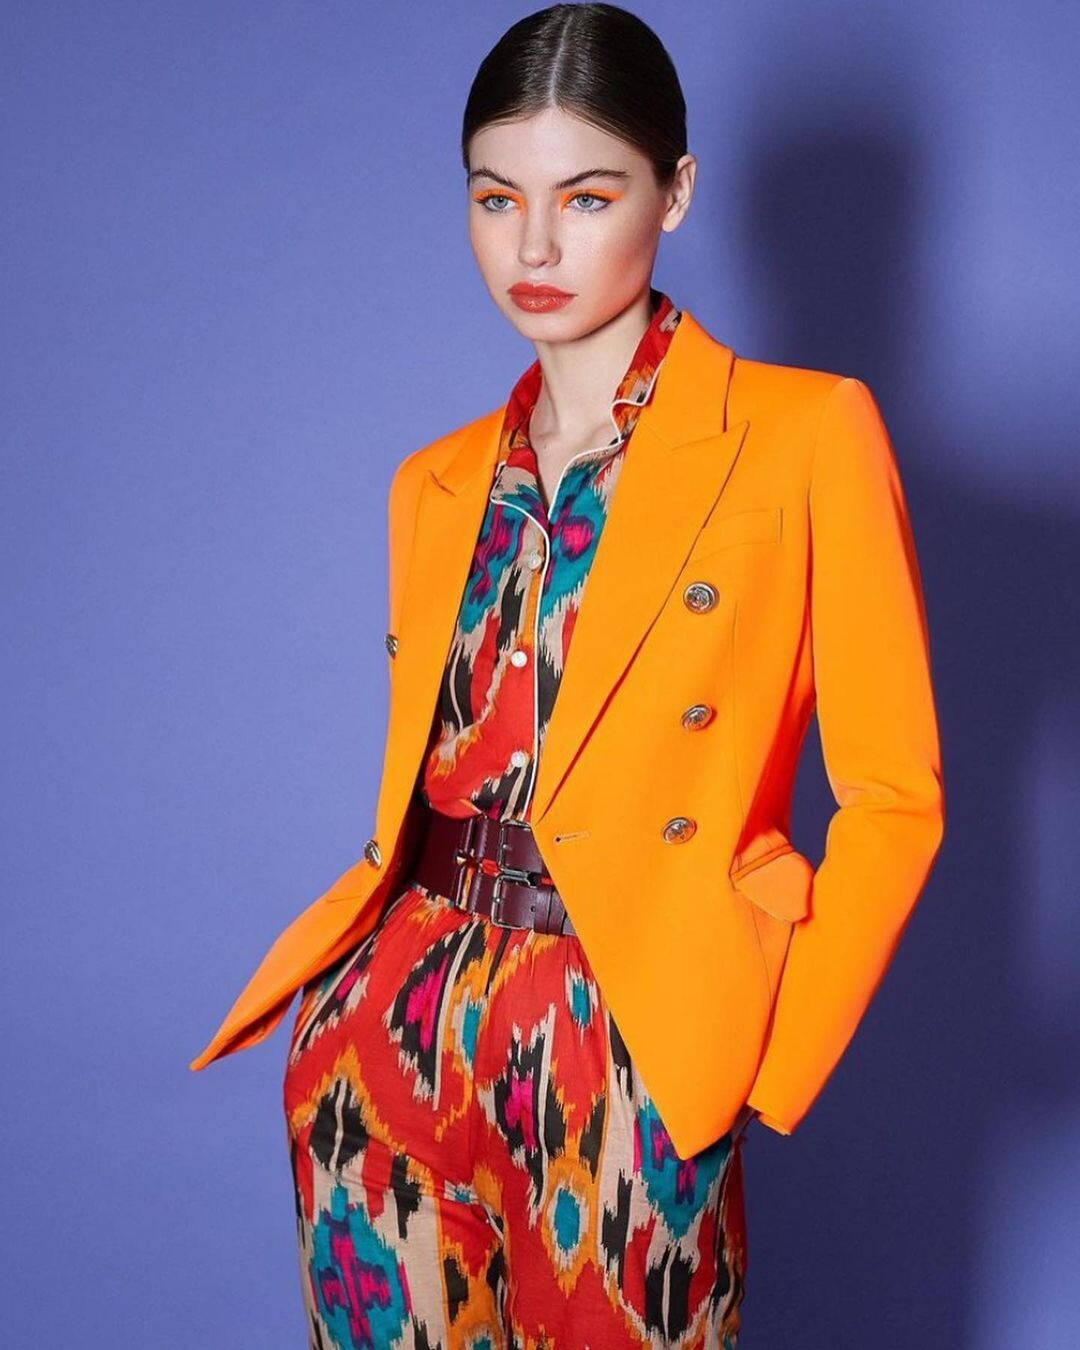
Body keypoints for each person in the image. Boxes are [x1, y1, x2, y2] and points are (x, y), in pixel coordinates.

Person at [190, 5, 945, 1346]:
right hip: (394, 1026)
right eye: (497, 198)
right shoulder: (433, 481)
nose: (533, 246)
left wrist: (756, 1063)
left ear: (676, 191)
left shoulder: (803, 433)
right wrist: (346, 1010)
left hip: (632, 1035)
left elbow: (897, 795)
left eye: (586, 196)